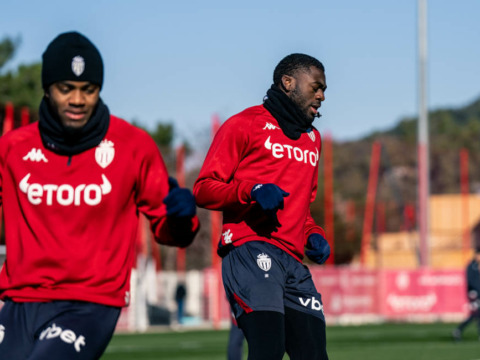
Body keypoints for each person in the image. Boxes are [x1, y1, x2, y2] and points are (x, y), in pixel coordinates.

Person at [0, 31, 199, 360]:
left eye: (88, 90)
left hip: (90, 303)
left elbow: (168, 229)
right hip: (20, 300)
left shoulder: (133, 146)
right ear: (48, 88)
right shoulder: (12, 148)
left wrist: (181, 219)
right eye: (66, 89)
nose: (77, 100)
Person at [194, 53, 330, 360]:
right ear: (288, 82)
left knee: (314, 354)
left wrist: (312, 234)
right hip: (250, 250)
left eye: (324, 89)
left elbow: (302, 209)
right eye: (316, 87)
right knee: (267, 349)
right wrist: (251, 191)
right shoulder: (244, 125)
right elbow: (203, 189)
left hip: (293, 262)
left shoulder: (313, 140)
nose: (322, 95)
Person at [452, 250, 480, 341]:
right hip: (473, 293)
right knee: (475, 314)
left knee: (477, 314)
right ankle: (458, 330)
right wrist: (476, 290)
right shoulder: (471, 266)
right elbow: (470, 281)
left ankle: (458, 330)